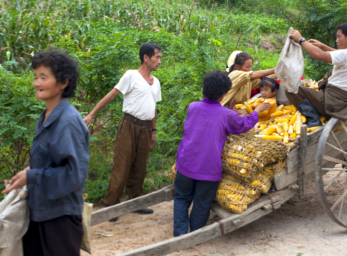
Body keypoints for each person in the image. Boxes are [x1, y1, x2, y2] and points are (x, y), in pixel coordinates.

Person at [2, 50, 89, 256]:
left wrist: (32, 176)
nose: (37, 83)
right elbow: (50, 163)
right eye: (35, 77)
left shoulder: (68, 122)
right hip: (40, 212)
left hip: (59, 218)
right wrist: (25, 177)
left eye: (44, 77)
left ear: (63, 83)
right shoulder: (46, 116)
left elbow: (74, 175)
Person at [173, 71, 270, 236]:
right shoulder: (226, 115)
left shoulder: (193, 107)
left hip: (185, 162)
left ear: (204, 90)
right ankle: (195, 235)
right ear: (225, 93)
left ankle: (180, 233)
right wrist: (257, 111)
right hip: (208, 168)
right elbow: (243, 125)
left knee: (182, 198)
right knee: (202, 202)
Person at [83, 43, 162, 221]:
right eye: (157, 57)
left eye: (160, 58)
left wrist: (153, 131)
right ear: (146, 57)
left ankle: (135, 202)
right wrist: (91, 114)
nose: (159, 61)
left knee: (140, 166)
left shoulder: (155, 82)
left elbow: (153, 107)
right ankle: (110, 206)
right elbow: (112, 95)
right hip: (129, 125)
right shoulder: (131, 76)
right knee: (122, 164)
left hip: (145, 128)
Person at [286, 23, 347, 127]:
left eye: (339, 37)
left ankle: (313, 119)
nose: (336, 41)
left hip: (332, 104)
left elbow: (320, 55)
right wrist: (322, 46)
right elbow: (339, 55)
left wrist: (301, 40)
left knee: (290, 89)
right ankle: (320, 95)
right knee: (330, 72)